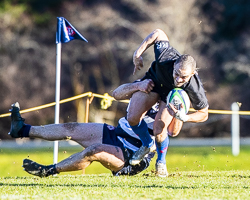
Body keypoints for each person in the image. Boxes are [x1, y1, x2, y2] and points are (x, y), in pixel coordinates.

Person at [8, 80, 172, 177]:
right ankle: (22, 129)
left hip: (134, 154)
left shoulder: (170, 97)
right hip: (116, 133)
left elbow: (174, 130)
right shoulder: (148, 84)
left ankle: (47, 170)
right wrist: (138, 85)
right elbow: (116, 93)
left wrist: (181, 114)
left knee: (95, 151)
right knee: (71, 128)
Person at [112, 28, 209, 177]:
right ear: (174, 65)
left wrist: (186, 117)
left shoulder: (194, 87)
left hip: (170, 96)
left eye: (183, 77)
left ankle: (161, 162)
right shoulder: (165, 56)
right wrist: (137, 54)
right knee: (132, 117)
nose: (178, 79)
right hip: (152, 84)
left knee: (159, 129)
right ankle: (146, 145)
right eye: (176, 73)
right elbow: (158, 33)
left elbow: (204, 114)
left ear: (193, 74)